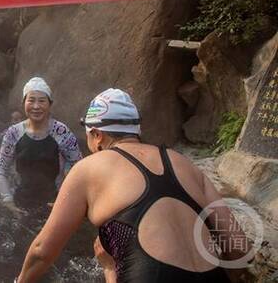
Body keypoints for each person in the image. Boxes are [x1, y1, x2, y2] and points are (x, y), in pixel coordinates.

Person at [16, 88, 247, 283]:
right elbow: (240, 249)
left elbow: (41, 253)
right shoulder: (186, 165)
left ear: (96, 135)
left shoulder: (87, 169)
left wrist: (108, 268)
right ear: (136, 130)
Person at [0, 77, 82, 216]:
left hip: (55, 202)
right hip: (20, 201)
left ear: (50, 104)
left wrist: (65, 199)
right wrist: (7, 200)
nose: (36, 106)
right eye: (31, 100)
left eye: (42, 101)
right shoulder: (14, 133)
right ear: (23, 103)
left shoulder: (62, 132)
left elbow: (78, 167)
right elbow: (1, 169)